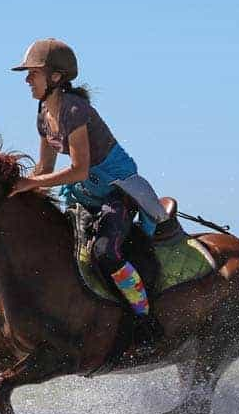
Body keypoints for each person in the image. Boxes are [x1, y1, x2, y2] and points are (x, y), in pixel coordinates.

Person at [8, 38, 162, 347]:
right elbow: (44, 167)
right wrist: (10, 189)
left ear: (55, 77)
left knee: (105, 253)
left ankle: (146, 322)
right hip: (85, 189)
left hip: (116, 189)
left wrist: (33, 184)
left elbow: (78, 168)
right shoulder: (43, 113)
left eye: (33, 73)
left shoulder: (75, 109)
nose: (27, 80)